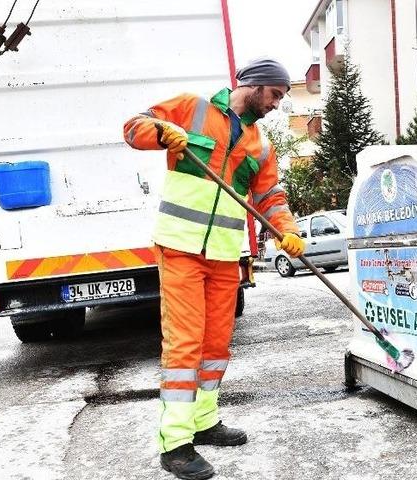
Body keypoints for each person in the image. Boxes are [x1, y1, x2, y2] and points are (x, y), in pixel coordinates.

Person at [123, 58, 305, 480]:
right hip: (181, 248)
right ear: (256, 86)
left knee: (216, 345)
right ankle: (175, 443)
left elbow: (270, 198)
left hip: (225, 255)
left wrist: (287, 231)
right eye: (275, 95)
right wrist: (160, 132)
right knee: (185, 346)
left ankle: (204, 421)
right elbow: (133, 128)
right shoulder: (193, 109)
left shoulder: (261, 146)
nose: (277, 104)